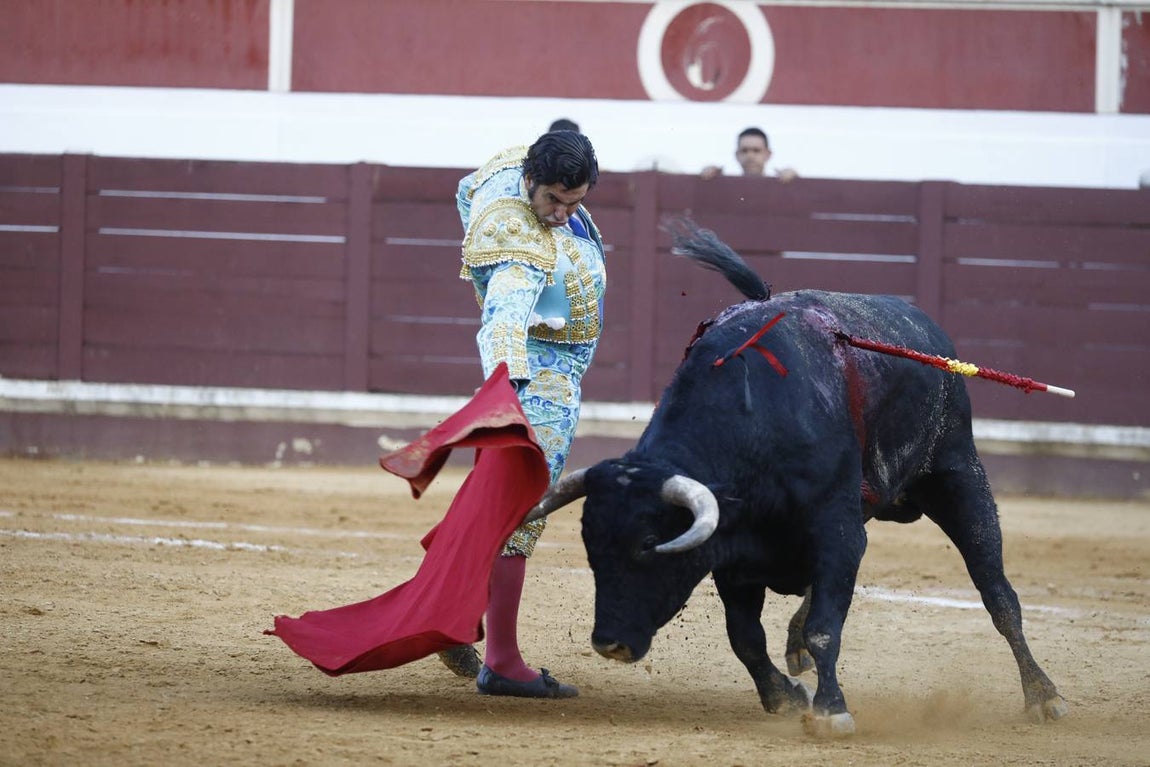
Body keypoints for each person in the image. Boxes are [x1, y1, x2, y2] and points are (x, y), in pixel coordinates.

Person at [437, 130, 605, 699]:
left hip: (547, 376)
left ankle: (449, 608)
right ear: (531, 181)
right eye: (553, 201)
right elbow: (504, 319)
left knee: (495, 506)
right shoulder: (517, 242)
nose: (561, 215)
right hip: (541, 385)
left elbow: (467, 187)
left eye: (574, 203)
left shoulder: (509, 172)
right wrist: (505, 398)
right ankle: (502, 661)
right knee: (522, 515)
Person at [701, 126, 797, 182]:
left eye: (756, 150)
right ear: (736, 155)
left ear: (768, 154)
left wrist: (796, 181)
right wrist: (711, 180)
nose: (750, 156)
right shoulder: (724, 189)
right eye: (744, 150)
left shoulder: (780, 189)